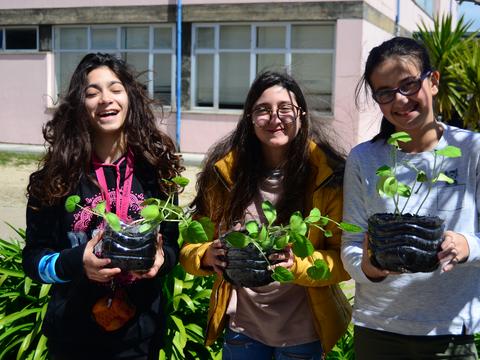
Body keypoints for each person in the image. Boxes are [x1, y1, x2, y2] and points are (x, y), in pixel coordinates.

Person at [180, 71, 351, 359]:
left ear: (302, 115)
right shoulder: (224, 175)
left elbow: (343, 260)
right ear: (249, 117)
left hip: (302, 334)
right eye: (263, 110)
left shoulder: (327, 176)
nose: (275, 118)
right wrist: (206, 256)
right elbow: (189, 248)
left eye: (285, 109)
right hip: (243, 331)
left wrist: (296, 264)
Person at [23, 53, 181, 360]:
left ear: (130, 99)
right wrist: (75, 263)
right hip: (72, 338)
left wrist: (163, 259)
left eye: (115, 89)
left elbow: (172, 243)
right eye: (92, 93)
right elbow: (33, 261)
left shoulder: (155, 173)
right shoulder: (55, 179)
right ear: (79, 106)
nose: (105, 99)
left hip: (140, 340)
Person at [341, 36, 480, 359]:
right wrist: (370, 267)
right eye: (385, 93)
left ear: (432, 82)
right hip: (377, 328)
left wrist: (467, 246)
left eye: (408, 85)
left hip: (449, 330)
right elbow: (350, 241)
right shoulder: (365, 158)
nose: (399, 100)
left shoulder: (471, 151)